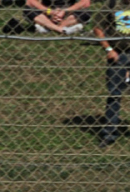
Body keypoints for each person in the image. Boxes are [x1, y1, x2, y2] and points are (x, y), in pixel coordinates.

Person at [94, 0, 130, 148]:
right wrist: (109, 49)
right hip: (118, 56)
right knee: (114, 94)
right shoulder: (112, 4)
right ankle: (109, 133)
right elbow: (97, 26)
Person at [24, 0, 90, 34]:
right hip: (47, 12)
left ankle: (49, 27)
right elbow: (30, 1)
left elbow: (86, 2)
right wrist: (50, 12)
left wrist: (65, 11)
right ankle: (61, 29)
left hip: (68, 13)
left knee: (86, 12)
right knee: (27, 10)